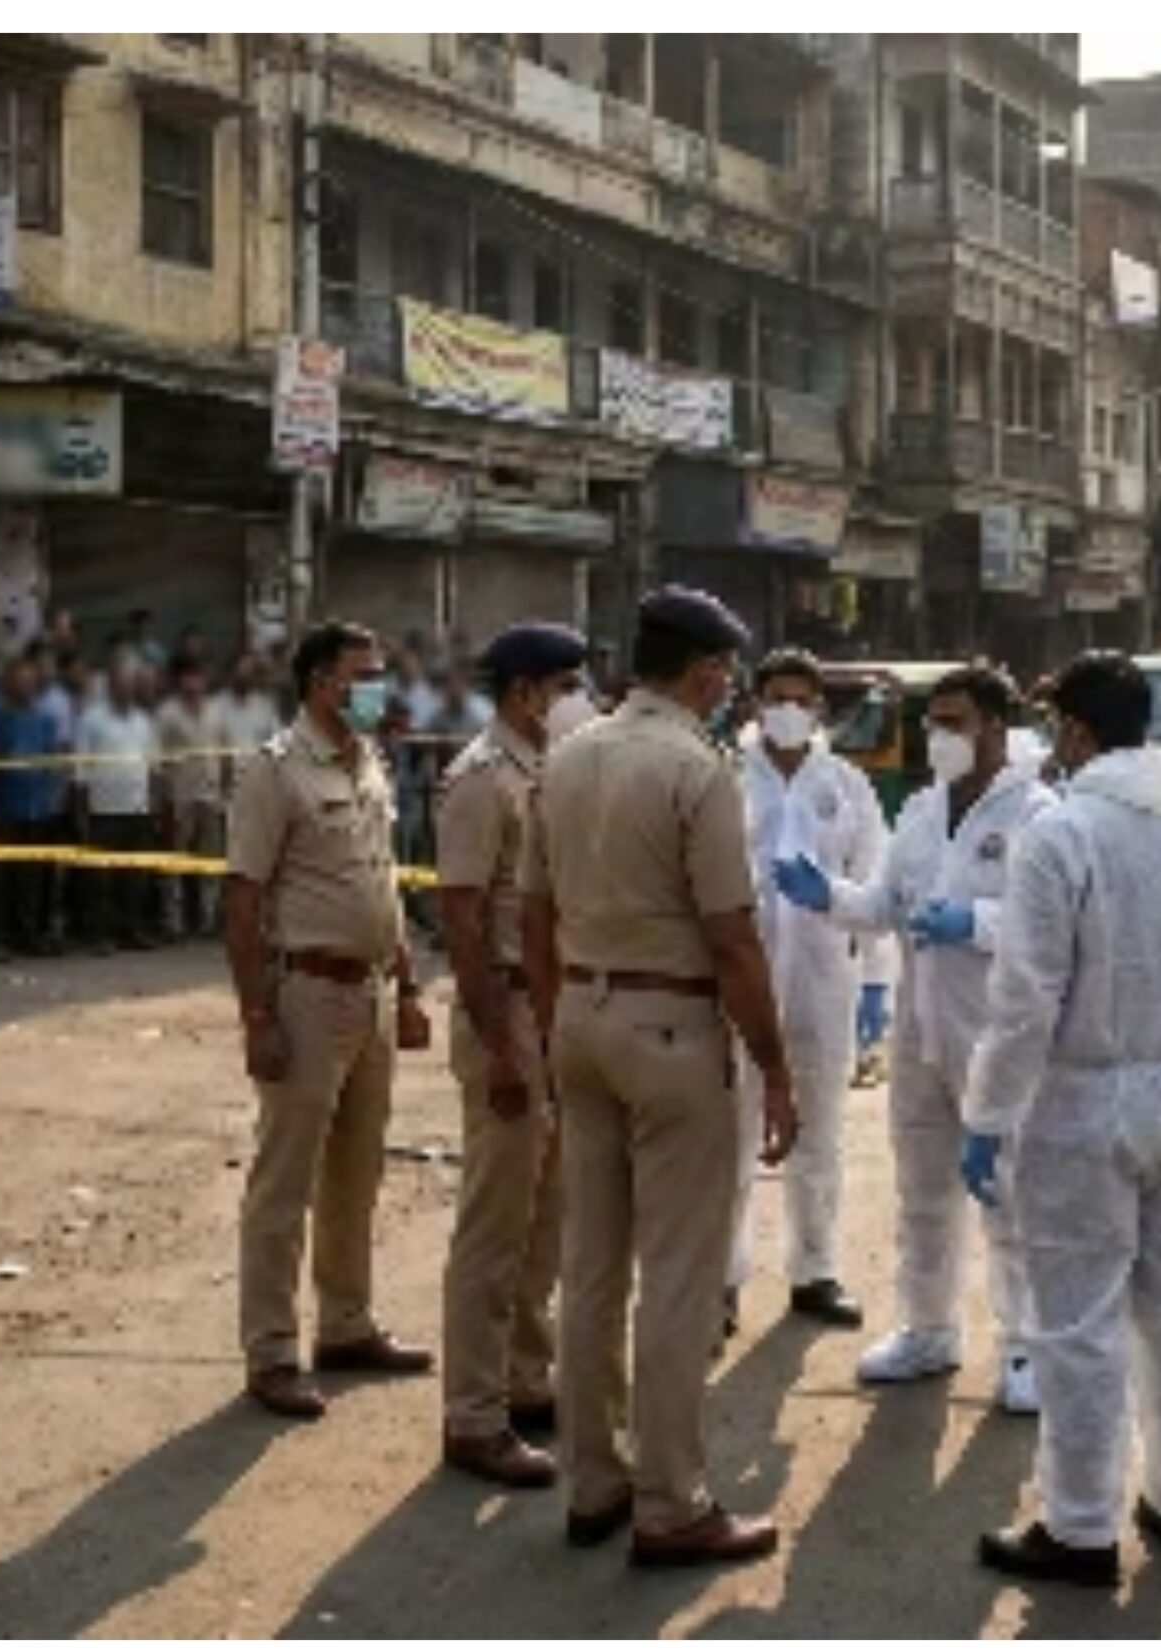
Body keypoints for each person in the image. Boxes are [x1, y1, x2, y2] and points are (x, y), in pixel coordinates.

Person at [960, 653, 1161, 1587]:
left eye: (1058, 727)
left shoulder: (1061, 834)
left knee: (1078, 1321)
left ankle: (1081, 1526)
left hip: (1085, 1103)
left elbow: (1025, 1000)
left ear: (1079, 732)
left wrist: (987, 1113)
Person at [520, 586, 800, 1570]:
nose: (729, 688)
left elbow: (533, 914)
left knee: (591, 1264)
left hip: (582, 1014)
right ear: (704, 671)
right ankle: (672, 1500)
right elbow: (731, 934)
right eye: (725, 671)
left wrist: (559, 1016)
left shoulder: (567, 754)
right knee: (679, 1275)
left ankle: (592, 1481)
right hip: (671, 1022)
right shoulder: (696, 766)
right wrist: (774, 1063)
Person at [775, 664, 1055, 1413]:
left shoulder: (1036, 813)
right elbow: (885, 904)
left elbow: (1051, 925)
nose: (939, 737)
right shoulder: (925, 811)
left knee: (1009, 1194)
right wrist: (829, 895)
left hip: (996, 1033)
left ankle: (1027, 1346)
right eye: (934, 722)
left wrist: (976, 922)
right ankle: (929, 1329)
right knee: (923, 1192)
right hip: (921, 1030)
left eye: (954, 722)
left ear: (995, 727)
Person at [224, 621, 437, 1420]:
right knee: (284, 1179)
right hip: (305, 992)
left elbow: (383, 880)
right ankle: (272, 1350)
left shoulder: (367, 760)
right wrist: (257, 1016)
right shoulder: (274, 769)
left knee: (357, 1170)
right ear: (321, 681)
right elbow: (242, 899)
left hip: (370, 991)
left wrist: (406, 984)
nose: (378, 686)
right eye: (363, 674)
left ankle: (346, 1324)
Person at [432, 622, 597, 1490]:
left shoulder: (553, 770)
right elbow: (461, 920)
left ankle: (526, 1378)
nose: (581, 699)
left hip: (554, 1008)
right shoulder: (480, 778)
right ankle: (473, 1412)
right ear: (528, 691)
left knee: (548, 1212)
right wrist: (498, 1042)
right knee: (496, 1224)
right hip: (507, 1007)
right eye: (568, 684)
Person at [726, 648, 893, 1336]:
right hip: (740, 980)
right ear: (755, 703)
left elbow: (879, 887)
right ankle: (722, 1276)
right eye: (776, 698)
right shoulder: (726, 777)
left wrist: (877, 982)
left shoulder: (847, 786)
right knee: (730, 1134)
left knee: (820, 1133)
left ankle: (815, 1270)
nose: (788, 711)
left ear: (820, 709)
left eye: (801, 699)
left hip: (825, 981)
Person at [73, 667, 162, 953]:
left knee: (136, 876)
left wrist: (154, 804)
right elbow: (80, 767)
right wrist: (81, 810)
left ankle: (131, 929)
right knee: (102, 878)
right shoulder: (91, 719)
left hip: (137, 807)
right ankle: (100, 934)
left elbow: (154, 766)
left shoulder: (143, 721)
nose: (126, 690)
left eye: (130, 685)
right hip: (103, 809)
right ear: (110, 685)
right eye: (120, 684)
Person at [0, 657, 67, 957]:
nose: (25, 686)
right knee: (3, 877)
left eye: (29, 680)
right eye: (19, 680)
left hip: (39, 807)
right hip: (7, 807)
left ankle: (31, 934)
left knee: (34, 878)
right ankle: (0, 936)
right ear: (7, 683)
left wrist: (53, 798)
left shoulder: (46, 720)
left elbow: (54, 762)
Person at [156, 657, 231, 939]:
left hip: (210, 797)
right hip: (180, 797)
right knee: (175, 862)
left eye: (198, 677)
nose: (194, 683)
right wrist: (163, 798)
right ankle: (173, 922)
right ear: (179, 682)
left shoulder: (216, 712)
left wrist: (224, 792)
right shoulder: (167, 713)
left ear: (205, 681)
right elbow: (158, 760)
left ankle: (207, 919)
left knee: (210, 861)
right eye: (188, 677)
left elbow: (226, 754)